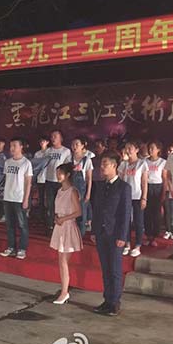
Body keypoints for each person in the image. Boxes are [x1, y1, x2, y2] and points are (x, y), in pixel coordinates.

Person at [90, 152, 131, 317]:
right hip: (101, 233)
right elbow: (96, 210)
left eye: (105, 164)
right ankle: (107, 300)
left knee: (115, 269)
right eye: (101, 164)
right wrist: (94, 230)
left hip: (115, 234)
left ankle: (115, 302)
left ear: (114, 166)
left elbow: (125, 214)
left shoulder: (123, 187)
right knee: (105, 269)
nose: (102, 167)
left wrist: (123, 236)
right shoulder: (100, 186)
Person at [50, 163, 83, 305]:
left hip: (68, 226)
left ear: (67, 175)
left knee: (63, 261)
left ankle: (64, 292)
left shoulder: (72, 191)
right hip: (60, 226)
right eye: (57, 173)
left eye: (60, 173)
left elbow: (78, 212)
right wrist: (57, 218)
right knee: (61, 260)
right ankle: (64, 290)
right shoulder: (59, 191)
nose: (58, 176)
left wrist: (63, 219)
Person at [0, 137, 33, 260]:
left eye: (15, 146)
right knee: (9, 225)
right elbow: (6, 179)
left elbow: (28, 183)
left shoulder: (26, 163)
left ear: (21, 147)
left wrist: (26, 199)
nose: (12, 148)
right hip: (8, 197)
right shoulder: (8, 162)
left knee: (22, 225)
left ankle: (22, 249)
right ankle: (11, 247)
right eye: (11, 146)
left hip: (19, 198)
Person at [118, 140, 148, 257]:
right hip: (125, 197)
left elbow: (144, 182)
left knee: (138, 221)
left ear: (136, 150)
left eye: (130, 148)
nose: (128, 150)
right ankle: (127, 244)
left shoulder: (142, 164)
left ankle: (138, 245)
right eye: (126, 148)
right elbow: (120, 181)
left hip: (137, 196)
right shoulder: (123, 164)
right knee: (126, 221)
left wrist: (144, 198)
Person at [44, 130, 72, 235]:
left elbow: (68, 167)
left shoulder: (66, 151)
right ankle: (50, 225)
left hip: (60, 182)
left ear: (61, 138)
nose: (53, 138)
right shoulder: (48, 151)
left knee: (61, 205)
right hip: (49, 180)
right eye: (52, 136)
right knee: (50, 204)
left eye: (55, 136)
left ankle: (61, 225)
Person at [144, 140, 166, 247]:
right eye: (149, 148)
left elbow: (165, 178)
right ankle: (148, 235)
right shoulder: (144, 161)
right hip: (147, 186)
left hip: (158, 187)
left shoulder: (162, 162)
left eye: (153, 148)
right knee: (147, 212)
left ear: (158, 150)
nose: (150, 150)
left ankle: (155, 236)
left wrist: (164, 193)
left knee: (156, 213)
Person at [70, 136, 93, 237]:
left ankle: (80, 234)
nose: (74, 147)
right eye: (73, 144)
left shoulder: (87, 160)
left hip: (82, 190)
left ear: (82, 146)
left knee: (82, 213)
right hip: (71, 189)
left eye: (77, 144)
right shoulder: (69, 159)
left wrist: (88, 193)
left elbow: (89, 178)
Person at [33, 136, 50, 224]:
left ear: (47, 142)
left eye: (44, 141)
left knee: (49, 199)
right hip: (40, 178)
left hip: (49, 178)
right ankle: (41, 216)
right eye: (41, 142)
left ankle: (49, 216)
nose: (42, 143)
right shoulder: (37, 154)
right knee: (41, 198)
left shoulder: (50, 152)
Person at [162, 144, 173, 240]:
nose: (169, 152)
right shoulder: (164, 163)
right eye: (168, 150)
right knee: (167, 211)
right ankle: (168, 230)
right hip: (167, 189)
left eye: (171, 150)